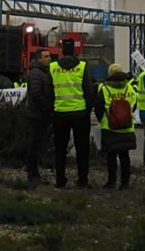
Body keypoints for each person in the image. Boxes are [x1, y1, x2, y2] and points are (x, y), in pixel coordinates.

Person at [44, 38, 96, 189]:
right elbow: (89, 90)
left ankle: (60, 180)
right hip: (80, 114)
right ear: (74, 51)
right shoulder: (82, 67)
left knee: (60, 150)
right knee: (82, 149)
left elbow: (48, 92)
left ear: (62, 51)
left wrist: (53, 108)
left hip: (60, 114)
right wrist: (87, 109)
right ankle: (83, 180)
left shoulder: (53, 67)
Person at [95, 64, 137, 189]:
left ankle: (111, 181)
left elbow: (98, 108)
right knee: (124, 156)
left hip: (109, 127)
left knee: (111, 156)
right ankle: (125, 182)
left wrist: (103, 119)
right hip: (127, 127)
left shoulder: (104, 89)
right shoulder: (130, 88)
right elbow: (134, 105)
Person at [25, 50, 52, 184]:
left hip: (39, 115)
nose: (49, 58)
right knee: (34, 145)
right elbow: (36, 93)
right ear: (39, 59)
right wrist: (47, 107)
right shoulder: (37, 73)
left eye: (49, 56)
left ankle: (34, 173)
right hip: (37, 115)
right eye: (46, 56)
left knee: (37, 145)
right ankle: (32, 174)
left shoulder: (42, 73)